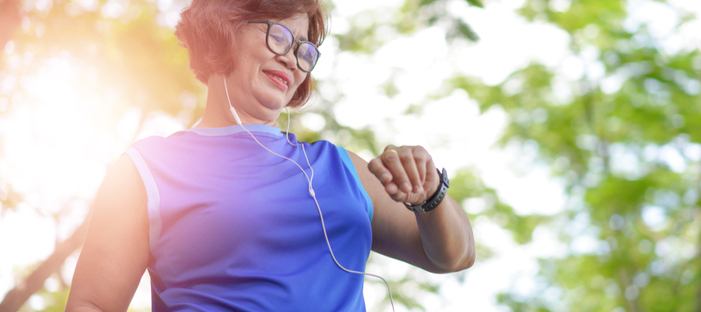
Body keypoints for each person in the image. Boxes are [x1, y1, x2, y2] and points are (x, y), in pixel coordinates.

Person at [64, 0, 475, 311]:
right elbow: (92, 305)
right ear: (223, 29)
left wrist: (431, 195)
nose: (292, 60)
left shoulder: (339, 166)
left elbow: (454, 256)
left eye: (304, 51)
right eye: (278, 35)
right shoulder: (145, 169)